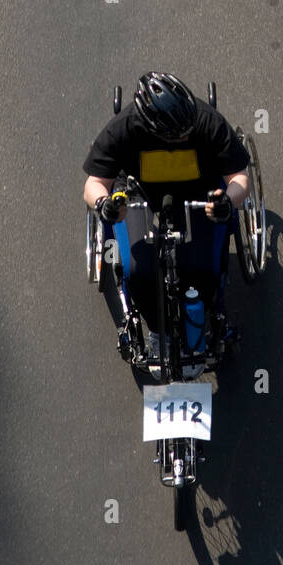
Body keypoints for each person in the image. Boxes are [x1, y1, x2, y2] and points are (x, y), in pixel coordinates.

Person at [83, 72, 250, 379]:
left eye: (188, 131)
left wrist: (228, 199)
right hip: (138, 191)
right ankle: (158, 331)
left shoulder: (206, 121)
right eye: (177, 136)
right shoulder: (124, 128)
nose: (187, 137)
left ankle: (200, 318)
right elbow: (93, 184)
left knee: (202, 266)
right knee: (138, 271)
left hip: (200, 192)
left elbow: (240, 177)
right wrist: (104, 204)